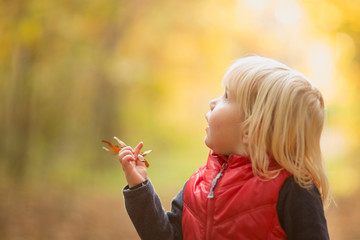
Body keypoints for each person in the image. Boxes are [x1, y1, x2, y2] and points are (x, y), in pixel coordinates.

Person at [117, 56, 331, 239]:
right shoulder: (198, 185)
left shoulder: (293, 190)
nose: (213, 102)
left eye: (227, 96)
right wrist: (139, 187)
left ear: (251, 128)